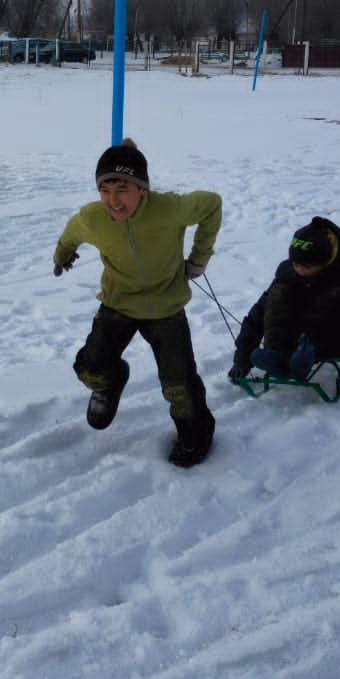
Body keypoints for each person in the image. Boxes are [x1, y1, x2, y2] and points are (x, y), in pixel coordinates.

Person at [53, 139, 223, 468]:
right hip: (119, 303)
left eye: (123, 189)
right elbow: (71, 232)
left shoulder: (170, 209)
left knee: (179, 386)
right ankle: (111, 381)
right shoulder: (93, 217)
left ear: (142, 189)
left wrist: (199, 259)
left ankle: (196, 435)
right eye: (105, 190)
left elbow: (212, 205)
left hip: (166, 307)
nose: (113, 201)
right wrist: (62, 254)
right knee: (89, 368)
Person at [228, 216, 340, 397]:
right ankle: (278, 354)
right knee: (277, 294)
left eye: (306, 265)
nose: (299, 269)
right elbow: (257, 315)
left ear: (327, 260)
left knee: (337, 297)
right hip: (294, 337)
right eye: (295, 264)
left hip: (338, 339)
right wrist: (242, 358)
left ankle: (305, 354)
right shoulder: (288, 276)